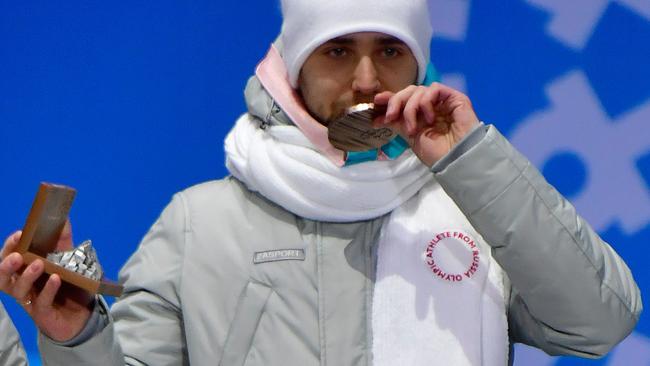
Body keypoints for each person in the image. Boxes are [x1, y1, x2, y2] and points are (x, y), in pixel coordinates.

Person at [0, 0, 642, 365]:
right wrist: (76, 337)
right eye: (338, 51)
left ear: (420, 66)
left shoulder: (474, 204)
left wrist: (471, 157)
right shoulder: (199, 223)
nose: (367, 79)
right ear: (291, 72)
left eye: (389, 52)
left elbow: (598, 322)